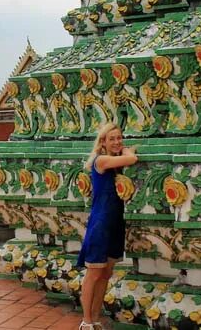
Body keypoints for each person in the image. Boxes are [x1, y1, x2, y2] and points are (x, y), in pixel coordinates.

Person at [76, 123, 138, 330]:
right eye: (112, 139)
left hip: (114, 222)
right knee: (93, 273)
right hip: (101, 222)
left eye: (119, 138)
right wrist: (127, 150)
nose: (117, 142)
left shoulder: (113, 163)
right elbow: (132, 157)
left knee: (105, 273)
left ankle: (94, 318)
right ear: (102, 142)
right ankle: (86, 320)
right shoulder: (100, 160)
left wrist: (125, 149)